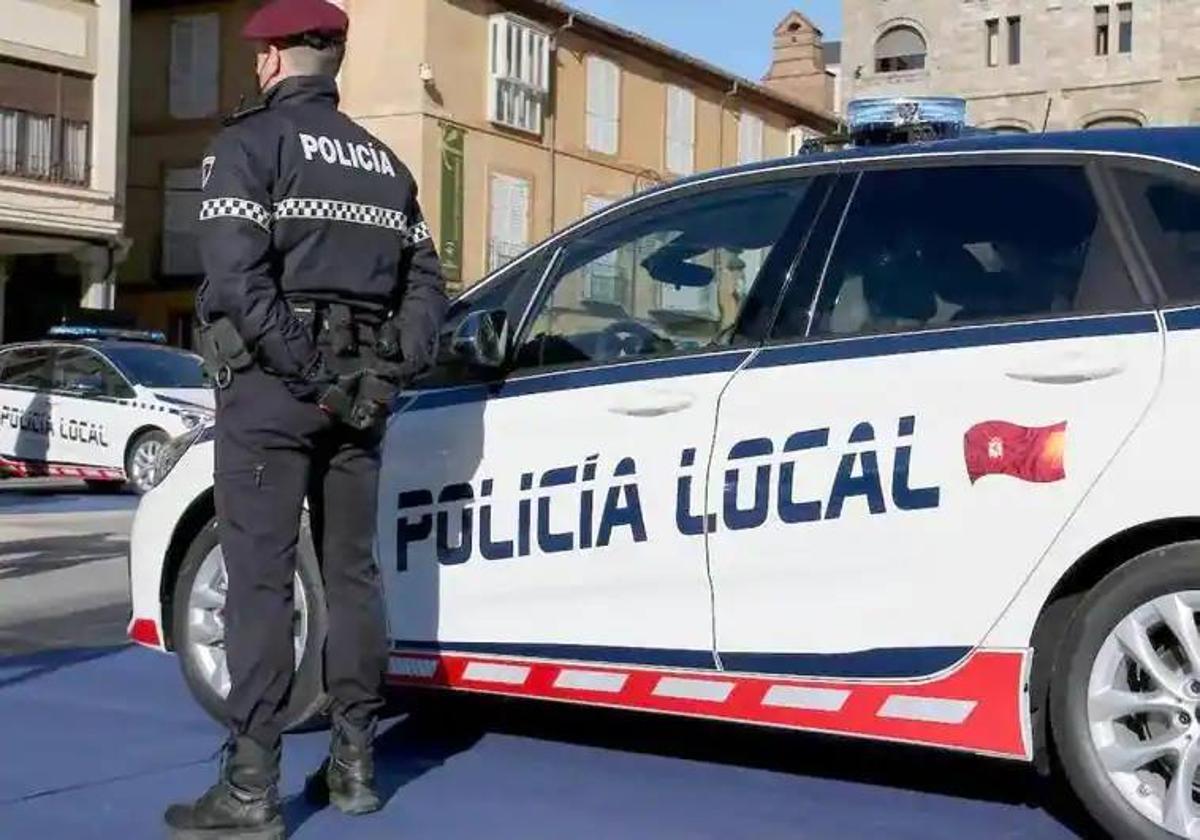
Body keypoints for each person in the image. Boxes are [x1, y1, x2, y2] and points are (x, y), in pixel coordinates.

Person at [165, 0, 447, 836]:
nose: (255, 64)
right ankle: (355, 767)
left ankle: (252, 788)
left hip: (276, 393)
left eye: (259, 53)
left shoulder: (247, 147)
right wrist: (384, 372)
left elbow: (240, 283)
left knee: (258, 579)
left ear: (277, 58)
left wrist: (311, 373)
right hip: (358, 395)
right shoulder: (384, 163)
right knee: (353, 575)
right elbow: (428, 285)